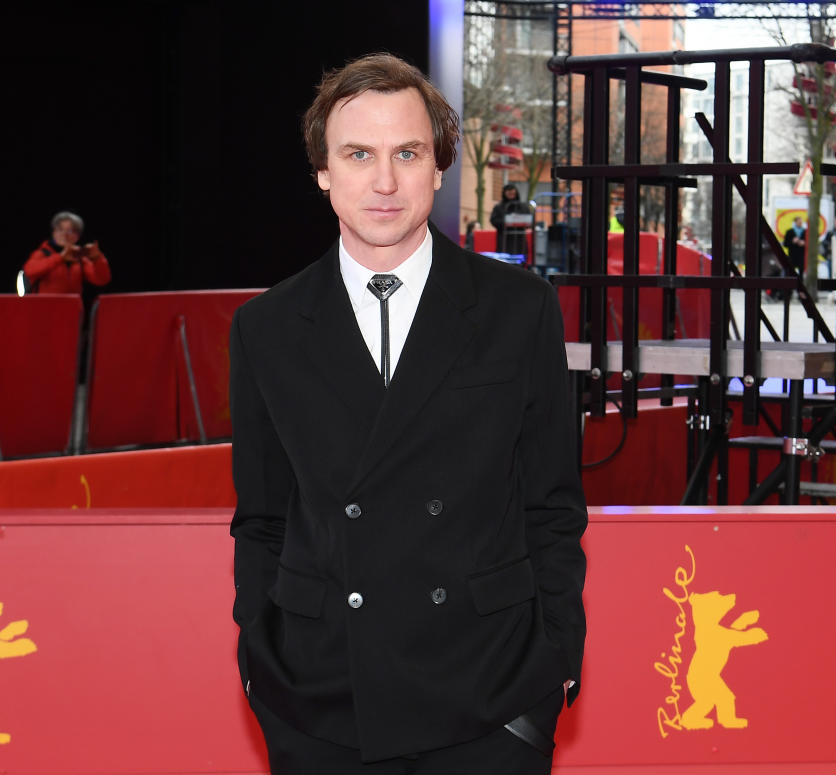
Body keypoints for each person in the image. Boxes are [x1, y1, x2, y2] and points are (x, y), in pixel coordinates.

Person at [228, 53, 587, 775]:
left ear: (438, 167)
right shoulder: (265, 327)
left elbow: (551, 504)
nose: (384, 182)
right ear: (323, 170)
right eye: (358, 154)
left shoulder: (519, 311)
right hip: (322, 700)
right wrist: (259, 658)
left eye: (408, 154)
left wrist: (554, 668)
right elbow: (263, 517)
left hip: (490, 696)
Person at [23, 211, 111, 294]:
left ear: (77, 236)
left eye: (70, 231)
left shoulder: (79, 258)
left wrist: (98, 259)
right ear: (54, 232)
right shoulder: (42, 253)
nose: (65, 234)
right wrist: (60, 257)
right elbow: (29, 272)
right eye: (60, 229)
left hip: (72, 308)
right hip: (45, 308)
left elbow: (101, 280)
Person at [489, 183, 532, 253]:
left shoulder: (523, 207)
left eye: (513, 193)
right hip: (504, 240)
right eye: (509, 193)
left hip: (519, 240)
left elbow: (530, 221)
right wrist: (506, 222)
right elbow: (493, 220)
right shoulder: (499, 207)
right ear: (504, 193)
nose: (511, 195)